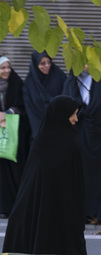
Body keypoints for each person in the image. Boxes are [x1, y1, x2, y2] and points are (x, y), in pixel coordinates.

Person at [2, 95, 87, 255]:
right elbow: (31, 180)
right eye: (73, 114)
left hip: (61, 206)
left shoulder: (50, 140)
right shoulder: (58, 141)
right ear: (61, 115)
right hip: (57, 207)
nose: (76, 119)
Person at [63, 66, 101, 224]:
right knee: (80, 175)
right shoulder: (71, 81)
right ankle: (83, 213)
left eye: (87, 61)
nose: (84, 66)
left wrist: (86, 114)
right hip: (79, 137)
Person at [0, 56, 31, 219]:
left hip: (15, 136)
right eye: (2, 68)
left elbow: (24, 105)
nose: (6, 71)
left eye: (8, 67)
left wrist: (7, 114)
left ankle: (17, 205)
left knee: (15, 170)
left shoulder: (17, 83)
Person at [23, 50, 66, 139]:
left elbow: (67, 99)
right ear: (36, 65)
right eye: (42, 63)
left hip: (59, 127)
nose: (47, 66)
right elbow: (30, 109)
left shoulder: (60, 77)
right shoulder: (29, 84)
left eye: (49, 62)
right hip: (38, 129)